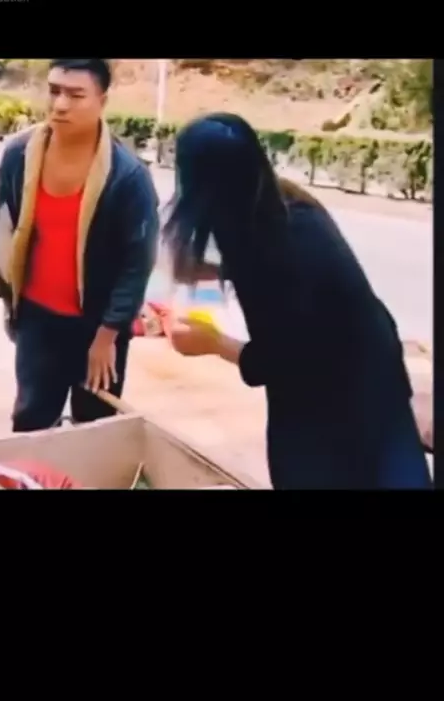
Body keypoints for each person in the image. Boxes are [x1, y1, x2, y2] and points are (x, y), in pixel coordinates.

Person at [162, 112, 432, 490]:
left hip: (332, 397)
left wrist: (213, 343)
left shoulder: (270, 248)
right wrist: (209, 275)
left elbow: (282, 358)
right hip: (377, 374)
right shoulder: (285, 206)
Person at [0, 59, 159, 432]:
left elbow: (137, 262)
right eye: (54, 91)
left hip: (98, 327)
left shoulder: (127, 176)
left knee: (94, 426)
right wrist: (9, 300)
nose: (60, 104)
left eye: (76, 95)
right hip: (37, 319)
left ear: (102, 100)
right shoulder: (19, 155)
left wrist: (108, 336)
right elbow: (1, 230)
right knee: (30, 422)